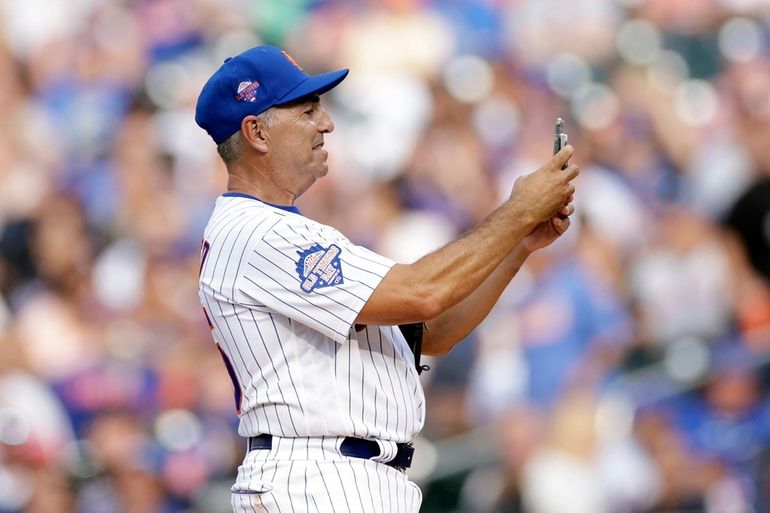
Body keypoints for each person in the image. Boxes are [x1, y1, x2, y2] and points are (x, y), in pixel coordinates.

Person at [194, 45, 578, 513]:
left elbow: (434, 331)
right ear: (256, 131)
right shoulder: (258, 232)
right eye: (307, 110)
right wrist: (515, 211)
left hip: (348, 479)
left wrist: (519, 243)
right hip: (316, 480)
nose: (326, 124)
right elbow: (423, 293)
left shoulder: (281, 230)